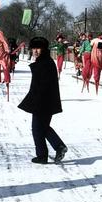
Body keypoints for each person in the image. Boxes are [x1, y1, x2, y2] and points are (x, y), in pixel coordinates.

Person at [18, 36, 67, 164]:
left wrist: (35, 102)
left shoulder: (44, 63)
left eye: (38, 48)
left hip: (43, 102)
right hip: (44, 102)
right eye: (33, 48)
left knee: (37, 128)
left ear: (44, 49)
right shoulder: (44, 62)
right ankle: (55, 148)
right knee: (42, 128)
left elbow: (42, 86)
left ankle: (43, 155)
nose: (35, 51)